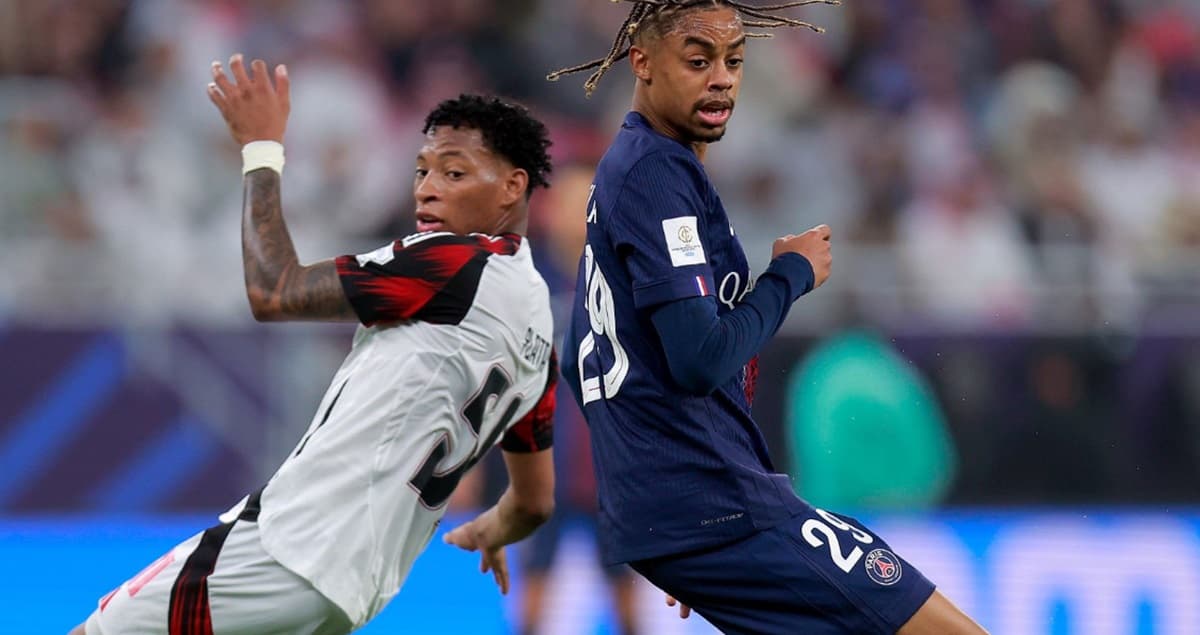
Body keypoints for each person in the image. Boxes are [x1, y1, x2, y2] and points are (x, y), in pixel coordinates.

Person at [72, 55, 558, 635]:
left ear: (512, 186)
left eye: (453, 174)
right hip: (355, 591)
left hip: (285, 550)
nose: (427, 190)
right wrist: (495, 528)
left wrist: (260, 150)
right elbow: (534, 503)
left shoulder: (451, 262)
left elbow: (274, 291)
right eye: (421, 171)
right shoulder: (538, 331)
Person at [549, 2, 988, 633]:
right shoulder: (655, 175)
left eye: (733, 61)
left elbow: (580, 355)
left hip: (693, 509)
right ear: (641, 62)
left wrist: (671, 526)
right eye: (698, 61)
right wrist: (790, 275)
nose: (721, 79)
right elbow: (700, 359)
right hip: (712, 504)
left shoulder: (637, 167)